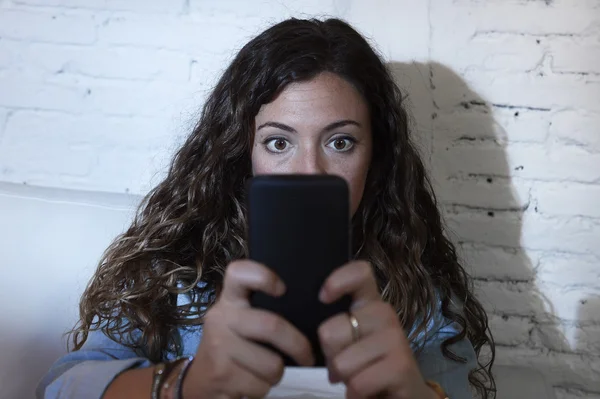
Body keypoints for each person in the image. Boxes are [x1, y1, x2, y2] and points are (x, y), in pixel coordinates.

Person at [37, 17, 495, 399]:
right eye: (279, 142)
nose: (309, 171)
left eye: (341, 142)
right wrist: (187, 384)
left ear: (377, 158)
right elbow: (61, 387)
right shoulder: (176, 274)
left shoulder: (419, 299)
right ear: (243, 154)